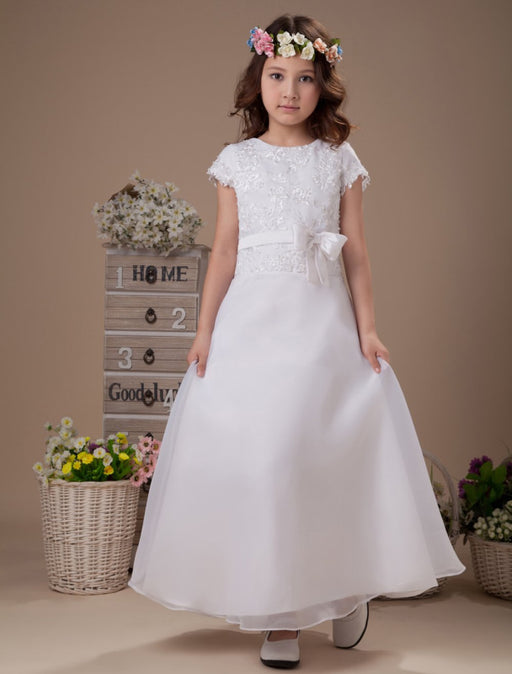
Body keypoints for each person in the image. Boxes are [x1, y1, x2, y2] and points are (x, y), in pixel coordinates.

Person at [128, 13, 465, 670]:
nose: (290, 91)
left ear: (322, 86)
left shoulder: (338, 161)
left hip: (320, 330)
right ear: (257, 81)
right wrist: (204, 331)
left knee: (315, 461)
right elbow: (225, 252)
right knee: (266, 464)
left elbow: (356, 253)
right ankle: (281, 617)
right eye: (277, 76)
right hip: (252, 330)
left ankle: (342, 590)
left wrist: (368, 329)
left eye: (305, 78)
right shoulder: (237, 162)